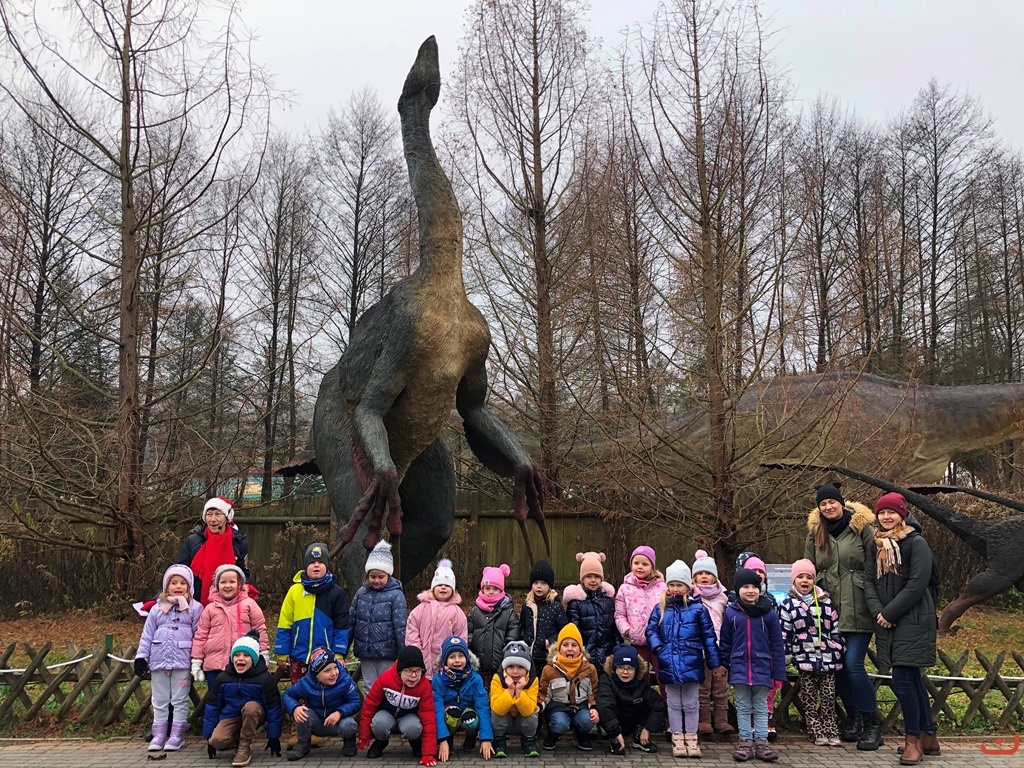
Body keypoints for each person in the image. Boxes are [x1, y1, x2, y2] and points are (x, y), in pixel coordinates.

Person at [804, 481, 882, 749]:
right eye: (823, 503)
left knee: (852, 664)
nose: (828, 507)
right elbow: (808, 570)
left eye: (832, 502)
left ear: (841, 502)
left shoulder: (862, 528)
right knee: (837, 667)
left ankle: (872, 724)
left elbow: (876, 565)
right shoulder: (816, 532)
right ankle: (854, 717)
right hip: (828, 610)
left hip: (858, 605)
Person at [863, 492, 939, 765]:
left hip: (914, 618)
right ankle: (928, 736)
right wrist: (878, 612)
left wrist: (890, 613)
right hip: (887, 618)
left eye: (891, 512)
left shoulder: (916, 542)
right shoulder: (876, 544)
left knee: (904, 679)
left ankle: (912, 741)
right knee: (912, 678)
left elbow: (917, 583)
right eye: (882, 512)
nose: (886, 516)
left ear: (902, 515)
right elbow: (868, 580)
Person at [646, 559, 721, 758]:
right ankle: (677, 737)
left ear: (688, 587)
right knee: (673, 702)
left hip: (692, 662)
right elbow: (651, 630)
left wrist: (714, 663)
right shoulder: (660, 608)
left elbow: (709, 637)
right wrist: (659, 648)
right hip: (668, 661)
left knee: (691, 703)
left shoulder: (698, 609)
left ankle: (692, 737)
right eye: (671, 584)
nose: (675, 589)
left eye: (679, 585)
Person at [135, 564, 203, 752]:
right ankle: (159, 734)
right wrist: (141, 657)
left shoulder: (195, 608)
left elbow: (199, 634)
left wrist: (197, 659)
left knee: (179, 699)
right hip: (159, 660)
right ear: (167, 586)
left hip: (182, 661)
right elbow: (147, 635)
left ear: (189, 586)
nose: (178, 586)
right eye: (174, 583)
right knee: (159, 699)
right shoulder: (157, 608)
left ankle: (177, 735)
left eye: (183, 583)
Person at [720, 569, 786, 763]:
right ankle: (745, 743)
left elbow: (777, 645)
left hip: (763, 666)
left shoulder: (769, 613)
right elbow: (725, 642)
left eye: (754, 587)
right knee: (742, 706)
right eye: (745, 587)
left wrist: (778, 673)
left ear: (760, 589)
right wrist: (722, 664)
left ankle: (762, 743)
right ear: (737, 590)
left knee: (761, 706)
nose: (750, 591)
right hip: (739, 665)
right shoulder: (731, 613)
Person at [779, 559, 844, 747]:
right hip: (804, 657)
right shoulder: (788, 605)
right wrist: (786, 653)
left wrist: (838, 646)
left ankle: (829, 727)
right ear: (794, 580)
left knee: (828, 696)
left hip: (827, 658)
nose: (805, 580)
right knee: (809, 696)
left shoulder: (826, 603)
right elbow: (784, 632)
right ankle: (815, 729)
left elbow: (836, 627)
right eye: (800, 577)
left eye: (809, 577)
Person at [203, 632, 282, 768]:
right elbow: (212, 706)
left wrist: (273, 737)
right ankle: (237, 738)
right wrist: (208, 737)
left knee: (251, 707)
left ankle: (244, 746)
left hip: (254, 714)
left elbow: (273, 708)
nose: (240, 659)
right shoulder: (223, 678)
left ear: (254, 659)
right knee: (217, 741)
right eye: (237, 655)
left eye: (246, 655)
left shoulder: (264, 678)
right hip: (231, 716)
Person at [275, 542, 350, 683]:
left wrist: (339, 652)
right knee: (299, 690)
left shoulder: (336, 592)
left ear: (327, 565)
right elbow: (285, 623)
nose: (316, 565)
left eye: (320, 562)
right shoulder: (295, 591)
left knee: (324, 691)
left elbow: (342, 626)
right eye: (312, 562)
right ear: (305, 566)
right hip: (299, 656)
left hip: (326, 657)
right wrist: (282, 651)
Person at [191, 564, 268, 690]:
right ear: (217, 585)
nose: (227, 585)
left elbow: (260, 629)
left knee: (239, 695)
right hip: (215, 664)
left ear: (239, 584)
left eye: (232, 582)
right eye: (223, 582)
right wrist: (196, 661)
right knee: (216, 695)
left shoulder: (249, 605)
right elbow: (201, 636)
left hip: (242, 662)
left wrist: (263, 653)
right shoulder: (210, 609)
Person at [358, 646, 438, 765]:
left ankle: (416, 743)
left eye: (418, 671)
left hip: (408, 717)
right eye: (408, 671)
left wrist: (428, 754)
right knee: (379, 724)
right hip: (386, 714)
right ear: (400, 670)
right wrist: (364, 735)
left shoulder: (424, 686)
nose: (414, 675)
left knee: (414, 728)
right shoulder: (385, 679)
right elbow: (370, 705)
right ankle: (381, 741)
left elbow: (428, 718)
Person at [282, 646, 362, 761]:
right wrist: (295, 708)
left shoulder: (345, 680)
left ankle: (349, 742)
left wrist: (339, 712)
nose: (334, 673)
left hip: (337, 722)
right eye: (327, 671)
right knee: (303, 713)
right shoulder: (306, 683)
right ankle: (303, 744)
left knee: (349, 724)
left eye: (335, 667)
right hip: (317, 722)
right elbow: (287, 695)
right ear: (316, 674)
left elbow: (355, 702)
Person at [350, 540, 407, 690]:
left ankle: (385, 706)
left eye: (380, 577)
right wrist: (343, 649)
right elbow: (351, 621)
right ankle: (369, 706)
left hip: (387, 652)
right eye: (372, 576)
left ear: (388, 575)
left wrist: (402, 654)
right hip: (365, 650)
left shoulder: (396, 596)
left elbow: (400, 627)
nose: (376, 580)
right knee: (368, 685)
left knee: (387, 685)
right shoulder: (361, 593)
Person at [538, 624, 600, 752]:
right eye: (565, 645)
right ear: (559, 648)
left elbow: (593, 693)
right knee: (559, 723)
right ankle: (553, 735)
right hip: (558, 707)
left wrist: (594, 708)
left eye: (574, 645)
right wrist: (539, 706)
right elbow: (544, 693)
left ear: (580, 648)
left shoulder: (589, 669)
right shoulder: (549, 669)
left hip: (581, 707)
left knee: (588, 720)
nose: (570, 649)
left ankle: (580, 734)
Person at [431, 635, 494, 761]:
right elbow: (437, 710)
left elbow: (482, 707)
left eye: (461, 656)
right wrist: (442, 739)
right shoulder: (438, 680)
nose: (457, 661)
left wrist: (486, 738)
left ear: (467, 657)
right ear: (445, 660)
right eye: (452, 657)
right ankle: (449, 739)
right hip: (450, 717)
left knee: (471, 716)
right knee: (452, 714)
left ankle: (471, 737)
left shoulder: (475, 679)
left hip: (467, 715)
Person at [178, 496, 250, 605]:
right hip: (196, 602)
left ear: (227, 517)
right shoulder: (193, 542)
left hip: (230, 603)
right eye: (209, 514)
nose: (213, 519)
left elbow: (244, 574)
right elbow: (180, 572)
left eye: (218, 514)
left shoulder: (239, 543)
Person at [690, 549, 732, 736]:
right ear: (694, 578)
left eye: (708, 573)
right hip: (699, 649)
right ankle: (704, 721)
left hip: (719, 647)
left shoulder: (723, 597)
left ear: (714, 576)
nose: (704, 577)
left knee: (721, 687)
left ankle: (722, 721)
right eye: (700, 574)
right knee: (703, 687)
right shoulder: (692, 597)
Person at [596, 645, 666, 755]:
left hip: (634, 721)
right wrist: (616, 732)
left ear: (636, 670)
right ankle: (614, 738)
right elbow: (604, 706)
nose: (625, 672)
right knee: (604, 707)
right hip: (615, 721)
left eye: (630, 668)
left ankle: (639, 738)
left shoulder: (642, 684)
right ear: (614, 668)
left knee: (649, 703)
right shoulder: (606, 681)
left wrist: (647, 728)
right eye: (621, 667)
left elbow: (659, 706)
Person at [407, 559, 468, 679]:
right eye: (439, 585)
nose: (443, 588)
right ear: (433, 588)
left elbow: (461, 637)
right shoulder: (422, 608)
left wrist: (455, 656)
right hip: (422, 660)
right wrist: (416, 649)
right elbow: (412, 626)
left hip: (446, 662)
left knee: (441, 687)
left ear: (453, 590)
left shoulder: (457, 613)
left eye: (447, 585)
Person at [614, 545, 666, 685]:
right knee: (639, 678)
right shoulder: (625, 588)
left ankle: (665, 699)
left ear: (652, 566)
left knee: (663, 676)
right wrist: (627, 630)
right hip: (637, 641)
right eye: (636, 563)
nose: (640, 567)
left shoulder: (662, 587)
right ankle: (641, 699)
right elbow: (619, 614)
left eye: (645, 564)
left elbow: (668, 611)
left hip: (659, 641)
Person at [562, 551, 618, 670]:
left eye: (597, 577)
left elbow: (614, 630)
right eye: (589, 576)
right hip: (586, 657)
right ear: (582, 579)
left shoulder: (608, 601)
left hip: (607, 656)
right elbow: (574, 632)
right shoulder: (576, 603)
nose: (593, 580)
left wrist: (618, 649)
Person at [468, 564, 521, 686]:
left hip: (501, 666)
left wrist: (505, 654)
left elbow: (512, 637)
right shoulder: (475, 612)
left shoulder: (509, 613)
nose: (491, 592)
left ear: (501, 590)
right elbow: (468, 633)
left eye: (495, 589)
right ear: (483, 589)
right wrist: (471, 649)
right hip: (478, 666)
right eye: (487, 588)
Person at [488, 640, 540, 758]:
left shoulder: (532, 680)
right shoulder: (498, 678)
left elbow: (529, 710)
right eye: (511, 667)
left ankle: (528, 741)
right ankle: (499, 741)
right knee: (495, 713)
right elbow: (497, 708)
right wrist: (510, 690)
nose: (515, 672)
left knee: (533, 714)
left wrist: (519, 691)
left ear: (527, 668)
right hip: (504, 721)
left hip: (521, 722)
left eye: (520, 667)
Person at [519, 560, 567, 676]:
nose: (539, 586)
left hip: (547, 656)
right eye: (536, 583)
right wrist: (524, 640)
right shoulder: (527, 605)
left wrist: (550, 642)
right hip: (529, 655)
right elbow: (522, 626)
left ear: (549, 586)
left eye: (543, 583)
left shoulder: (556, 606)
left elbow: (564, 630)